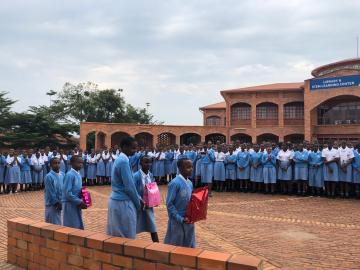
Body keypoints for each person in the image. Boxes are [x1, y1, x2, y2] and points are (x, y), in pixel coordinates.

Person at [106, 137, 143, 239]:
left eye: (136, 148)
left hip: (116, 201)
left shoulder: (122, 159)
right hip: (123, 202)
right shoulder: (123, 161)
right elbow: (129, 187)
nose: (135, 151)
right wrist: (138, 203)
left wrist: (139, 198)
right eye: (133, 148)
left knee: (116, 235)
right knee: (126, 236)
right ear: (124, 147)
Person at [164, 158, 195, 248]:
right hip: (177, 220)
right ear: (180, 168)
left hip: (189, 219)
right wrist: (179, 218)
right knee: (176, 244)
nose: (191, 169)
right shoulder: (174, 183)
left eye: (192, 167)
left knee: (189, 243)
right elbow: (169, 204)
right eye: (188, 167)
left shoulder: (190, 183)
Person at [133, 155, 159, 242]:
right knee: (134, 226)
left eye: (149, 162)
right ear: (140, 163)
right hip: (138, 206)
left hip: (148, 206)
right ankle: (130, 243)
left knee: (152, 226)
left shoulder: (150, 175)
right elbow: (133, 190)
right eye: (145, 162)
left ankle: (157, 245)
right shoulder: (136, 176)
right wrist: (140, 200)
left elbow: (152, 189)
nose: (148, 164)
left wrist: (154, 200)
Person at [62, 155, 87, 229]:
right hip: (70, 204)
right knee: (71, 226)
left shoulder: (78, 174)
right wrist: (79, 202)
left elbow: (76, 188)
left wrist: (83, 193)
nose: (81, 165)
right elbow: (67, 193)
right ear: (72, 163)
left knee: (77, 224)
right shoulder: (70, 175)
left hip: (76, 203)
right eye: (78, 163)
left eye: (82, 163)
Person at [44, 157, 64, 225]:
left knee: (60, 224)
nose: (57, 165)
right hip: (52, 204)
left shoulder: (62, 174)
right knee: (52, 225)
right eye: (55, 163)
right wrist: (56, 203)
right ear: (50, 165)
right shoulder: (49, 176)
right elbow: (50, 192)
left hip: (61, 202)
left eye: (58, 163)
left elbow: (64, 188)